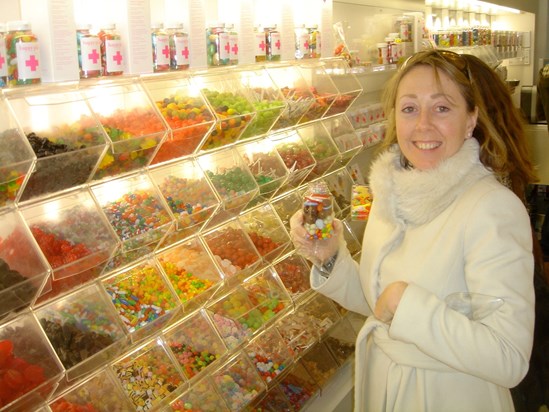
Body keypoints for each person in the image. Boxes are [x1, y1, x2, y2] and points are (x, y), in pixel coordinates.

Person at [290, 49, 538, 412]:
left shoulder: (490, 208)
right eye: (409, 108)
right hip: (385, 388)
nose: (422, 124)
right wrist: (329, 258)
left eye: (441, 108)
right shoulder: (391, 193)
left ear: (471, 120)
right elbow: (380, 303)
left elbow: (508, 357)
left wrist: (408, 303)